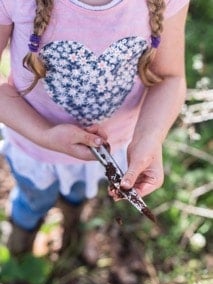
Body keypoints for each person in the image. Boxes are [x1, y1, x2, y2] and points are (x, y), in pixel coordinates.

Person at [0, 0, 190, 254]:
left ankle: (71, 233)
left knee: (79, 194)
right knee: (34, 200)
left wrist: (149, 136)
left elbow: (171, 77)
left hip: (103, 153)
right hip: (34, 149)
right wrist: (44, 134)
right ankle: (19, 254)